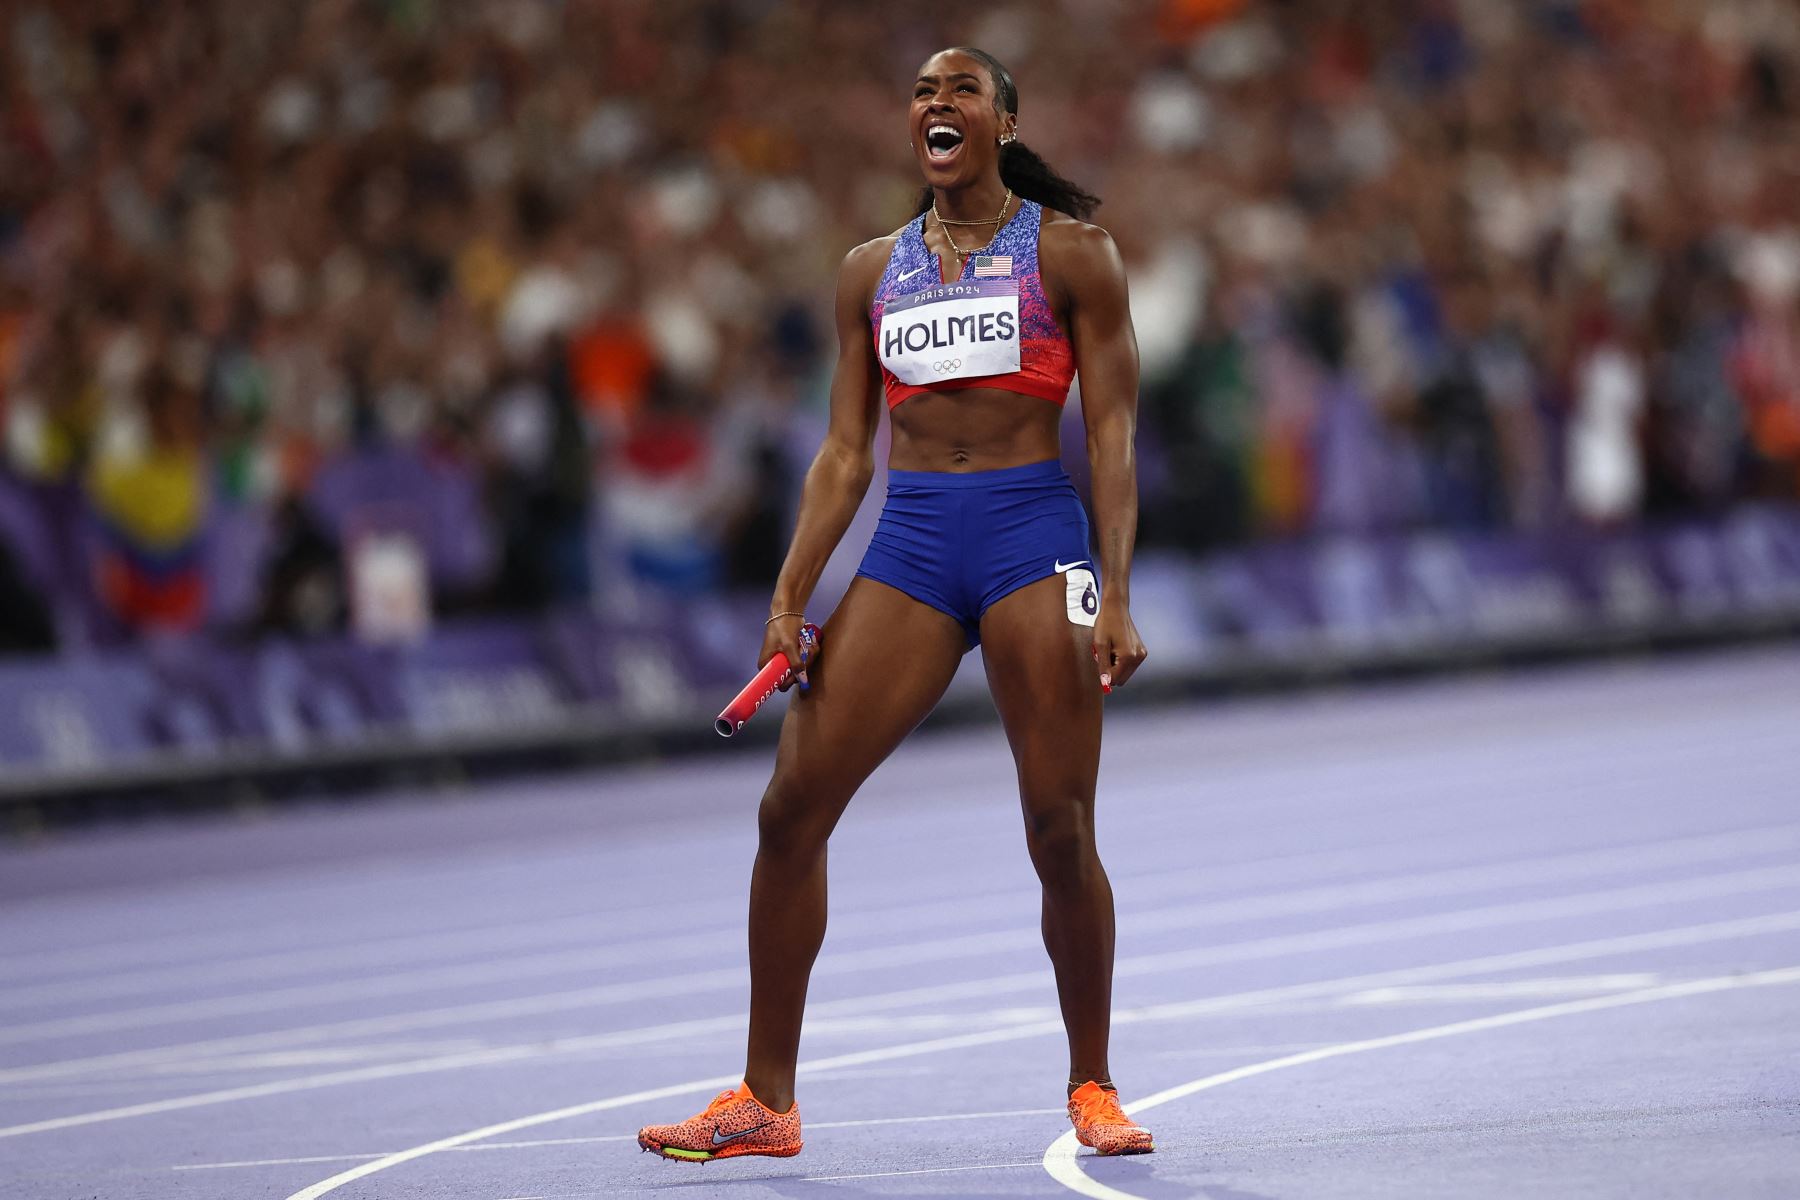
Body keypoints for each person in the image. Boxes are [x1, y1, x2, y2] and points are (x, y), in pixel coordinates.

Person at [637, 46, 1152, 1163]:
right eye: (923, 91)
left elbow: (1110, 435)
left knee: (1060, 829)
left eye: (962, 89)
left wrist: (1113, 589)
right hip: (914, 546)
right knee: (790, 808)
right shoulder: (869, 271)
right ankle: (764, 1101)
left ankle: (1094, 1085)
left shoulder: (1073, 255)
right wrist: (788, 593)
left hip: (1030, 537)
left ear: (1003, 122)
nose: (937, 102)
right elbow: (840, 453)